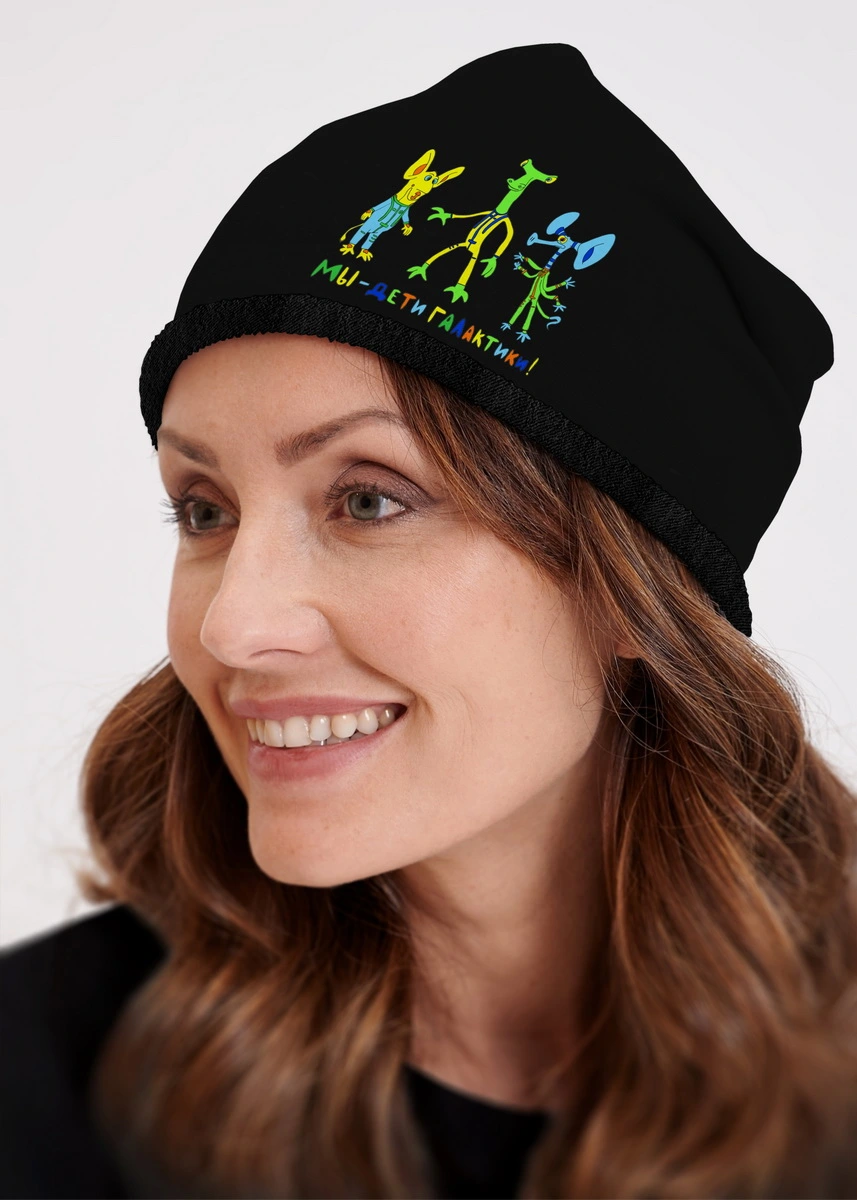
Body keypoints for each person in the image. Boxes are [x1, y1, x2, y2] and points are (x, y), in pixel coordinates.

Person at [3, 42, 856, 1200]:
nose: (231, 626)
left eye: (367, 500)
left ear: (630, 591)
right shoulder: (46, 1087)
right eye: (204, 509)